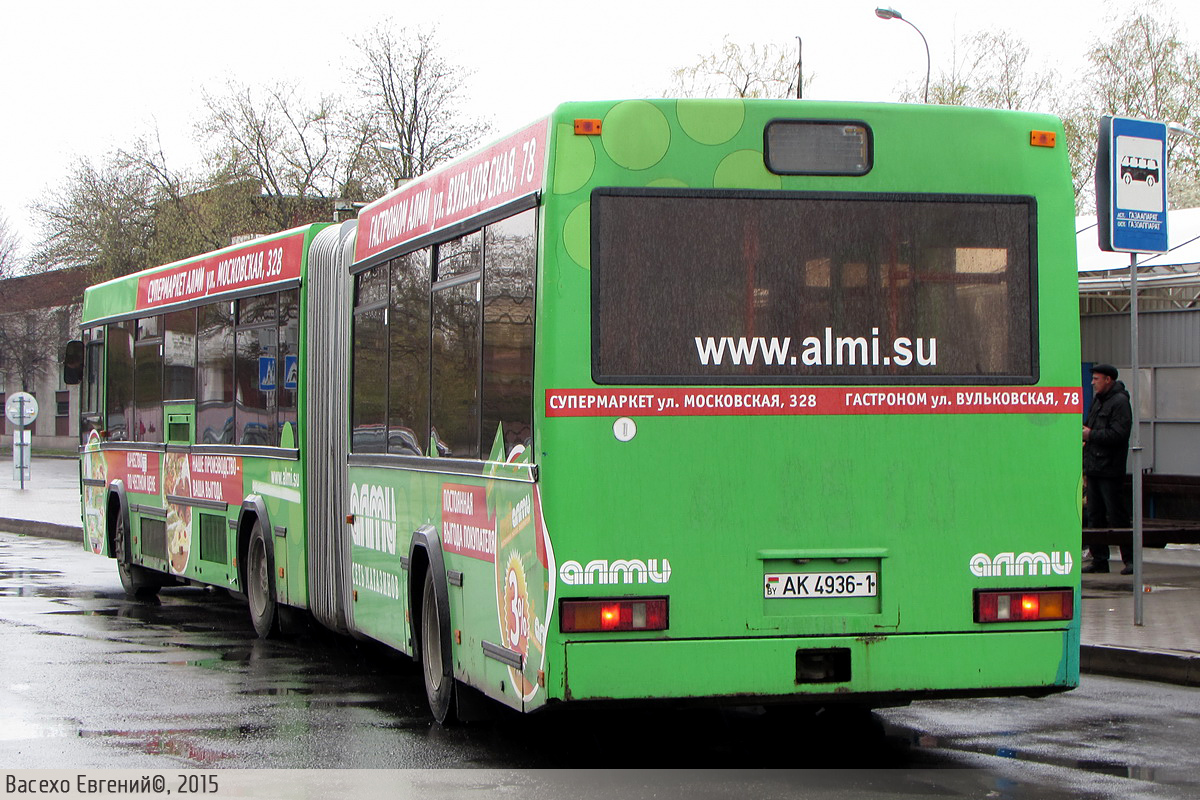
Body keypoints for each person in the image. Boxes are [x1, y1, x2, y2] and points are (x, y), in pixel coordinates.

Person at [1082, 363, 1133, 574]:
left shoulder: (1119, 403)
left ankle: (1130, 560)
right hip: (1094, 467)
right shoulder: (1098, 401)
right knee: (1095, 515)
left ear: (1108, 380)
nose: (1093, 383)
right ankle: (1099, 559)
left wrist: (1090, 435)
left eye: (1096, 379)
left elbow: (1119, 434)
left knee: (1117, 515)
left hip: (1110, 469)